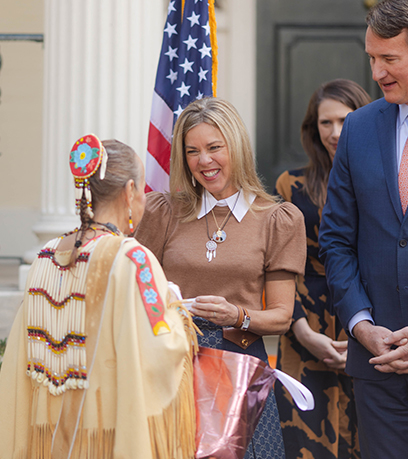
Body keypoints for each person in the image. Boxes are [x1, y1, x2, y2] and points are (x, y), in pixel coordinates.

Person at [0, 134, 197, 459]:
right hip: (108, 436)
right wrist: (176, 312)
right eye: (143, 189)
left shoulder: (45, 256)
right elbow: (163, 344)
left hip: (47, 439)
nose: (145, 200)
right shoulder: (134, 260)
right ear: (129, 191)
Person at [135, 97, 307, 459]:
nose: (204, 161)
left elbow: (281, 316)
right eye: (192, 151)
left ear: (237, 147)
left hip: (238, 368)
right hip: (171, 365)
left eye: (215, 147)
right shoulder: (163, 213)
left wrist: (237, 316)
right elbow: (135, 290)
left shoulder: (277, 219)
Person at [319, 1, 408, 458]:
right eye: (371, 58)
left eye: (388, 59)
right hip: (379, 368)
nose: (375, 72)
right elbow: (335, 239)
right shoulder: (357, 128)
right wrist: (359, 323)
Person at [274, 79, 371, 459]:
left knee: (370, 439)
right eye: (325, 123)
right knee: (305, 442)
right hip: (304, 323)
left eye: (345, 121)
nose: (335, 133)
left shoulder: (383, 181)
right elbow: (278, 266)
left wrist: (364, 329)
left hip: (369, 322)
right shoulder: (291, 185)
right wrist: (302, 330)